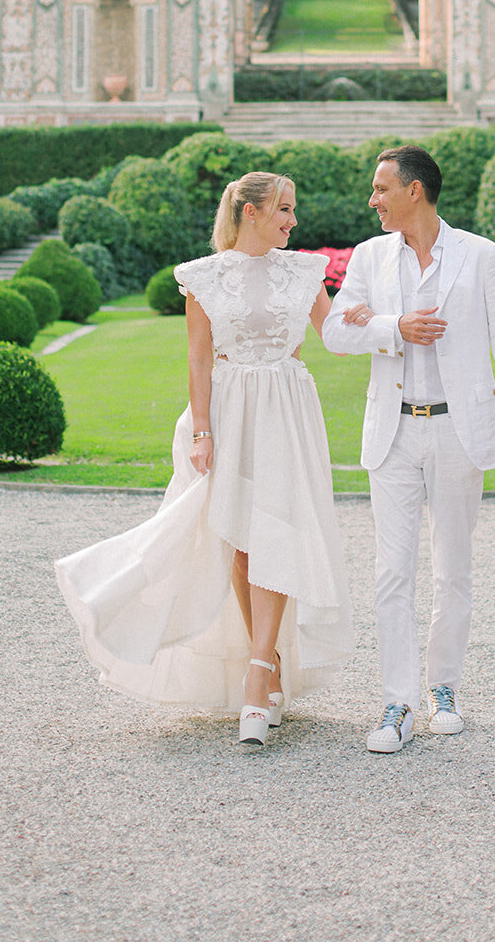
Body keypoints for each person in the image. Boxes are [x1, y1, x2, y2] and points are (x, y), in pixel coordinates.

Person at [55, 172, 354, 746]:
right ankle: (264, 667)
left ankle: (258, 673)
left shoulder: (306, 270)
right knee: (242, 542)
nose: (294, 220)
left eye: (294, 209)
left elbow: (336, 334)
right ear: (249, 211)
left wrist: (384, 324)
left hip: (287, 410)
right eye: (284, 209)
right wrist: (202, 431)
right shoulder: (203, 277)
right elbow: (197, 358)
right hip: (228, 410)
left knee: (279, 535)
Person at [321, 144, 495, 753]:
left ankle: (444, 686)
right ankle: (397, 702)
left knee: (452, 568)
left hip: (459, 430)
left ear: (414, 190)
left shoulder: (481, 255)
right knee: (392, 571)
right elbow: (337, 331)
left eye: (381, 189)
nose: (373, 200)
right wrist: (393, 327)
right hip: (391, 431)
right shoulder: (367, 257)